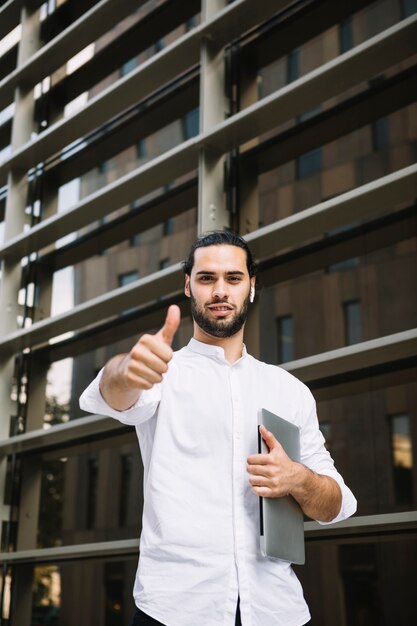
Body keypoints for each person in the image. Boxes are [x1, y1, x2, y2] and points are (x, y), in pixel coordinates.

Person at [80, 231, 356, 626]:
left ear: (252, 286)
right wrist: (126, 369)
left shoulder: (289, 390)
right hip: (174, 609)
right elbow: (114, 392)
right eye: (207, 278)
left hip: (277, 610)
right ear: (188, 286)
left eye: (234, 278)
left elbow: (336, 505)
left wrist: (298, 479)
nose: (220, 291)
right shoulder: (163, 373)